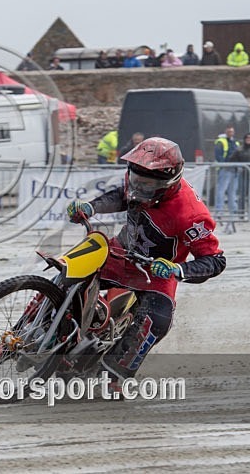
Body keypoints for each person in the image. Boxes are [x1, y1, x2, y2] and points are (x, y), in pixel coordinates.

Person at [61, 137, 225, 391]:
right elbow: (121, 196)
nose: (139, 190)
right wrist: (90, 207)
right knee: (69, 266)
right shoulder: (137, 179)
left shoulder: (191, 214)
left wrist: (177, 269)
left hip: (156, 272)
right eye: (136, 181)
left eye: (147, 186)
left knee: (156, 321)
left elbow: (215, 260)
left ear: (167, 184)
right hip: (119, 252)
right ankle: (21, 333)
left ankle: (113, 379)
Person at [214, 125, 240, 217]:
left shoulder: (235, 142)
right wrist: (225, 165)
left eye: (232, 132)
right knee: (221, 191)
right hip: (225, 169)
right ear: (226, 132)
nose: (230, 133)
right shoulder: (221, 142)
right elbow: (218, 155)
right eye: (229, 131)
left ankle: (233, 211)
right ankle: (219, 210)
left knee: (232, 192)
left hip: (234, 170)